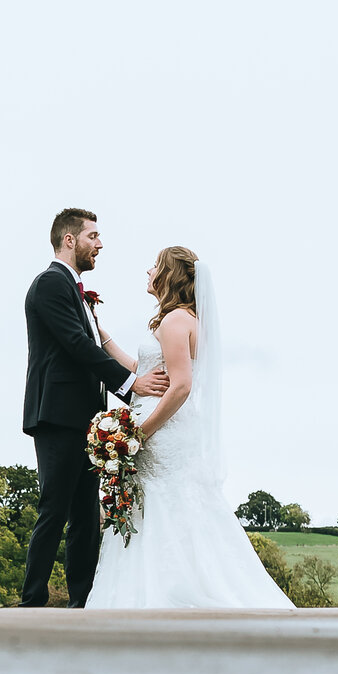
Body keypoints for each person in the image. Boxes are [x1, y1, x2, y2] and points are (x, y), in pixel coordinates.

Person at [86, 245, 291, 609]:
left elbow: (181, 386)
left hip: (162, 433)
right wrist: (103, 337)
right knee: (170, 505)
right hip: (170, 431)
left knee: (162, 505)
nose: (147, 271)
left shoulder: (174, 321)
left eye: (153, 266)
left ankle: (162, 594)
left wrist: (138, 434)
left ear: (169, 274)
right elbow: (145, 370)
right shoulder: (183, 320)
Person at [21, 209, 167, 608]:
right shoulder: (50, 284)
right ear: (70, 240)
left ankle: (81, 602)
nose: (100, 244)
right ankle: (32, 600)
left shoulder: (78, 291)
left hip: (83, 418)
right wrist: (131, 385)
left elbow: (94, 346)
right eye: (93, 236)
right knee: (54, 506)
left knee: (86, 513)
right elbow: (77, 345)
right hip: (57, 414)